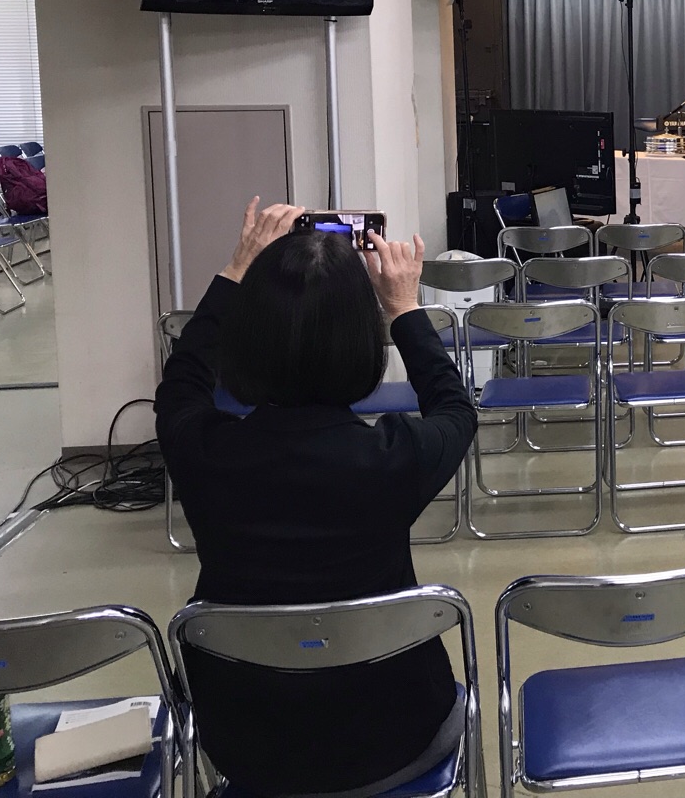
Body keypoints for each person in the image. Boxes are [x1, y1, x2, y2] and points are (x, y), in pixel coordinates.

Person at [155, 199, 475, 798]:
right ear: (363, 343)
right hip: (396, 736)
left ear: (246, 343)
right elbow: (456, 408)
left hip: (244, 743)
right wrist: (404, 307)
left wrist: (237, 268)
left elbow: (181, 383)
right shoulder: (394, 457)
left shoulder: (203, 452)